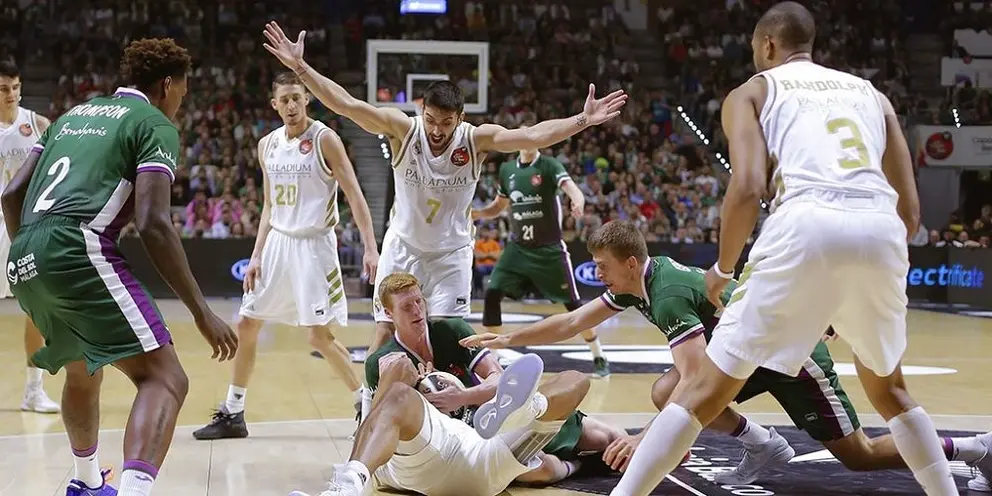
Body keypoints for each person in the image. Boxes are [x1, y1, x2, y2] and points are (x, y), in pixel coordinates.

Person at [605, 3, 955, 495]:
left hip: (804, 223)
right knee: (892, 393)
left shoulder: (753, 91)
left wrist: (723, 269)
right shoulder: (873, 96)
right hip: (881, 229)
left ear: (767, 45)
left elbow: (747, 186)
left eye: (753, 48)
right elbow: (911, 212)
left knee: (702, 391)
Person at [259, 21, 626, 418]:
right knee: (384, 330)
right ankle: (369, 409)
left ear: (460, 118)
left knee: (452, 333)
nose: (436, 130)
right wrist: (301, 69)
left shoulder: (476, 139)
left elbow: (532, 136)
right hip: (402, 247)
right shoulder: (404, 130)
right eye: (431, 119)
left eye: (446, 123)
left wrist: (582, 121)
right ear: (422, 111)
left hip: (451, 253)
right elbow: (348, 105)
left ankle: (468, 409)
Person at [460, 221, 992, 489]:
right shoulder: (637, 283)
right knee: (664, 389)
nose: (597, 274)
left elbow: (698, 385)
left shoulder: (667, 294)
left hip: (791, 356)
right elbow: (576, 322)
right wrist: (510, 338)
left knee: (858, 455)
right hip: (749, 354)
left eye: (601, 266)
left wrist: (646, 441)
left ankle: (973, 449)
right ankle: (763, 446)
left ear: (627, 262)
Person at [0, 39, 238, 496]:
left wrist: (33, 258)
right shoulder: (153, 123)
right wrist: (202, 313)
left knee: (81, 370)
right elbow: (152, 223)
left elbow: (11, 195)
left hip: (25, 252)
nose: (181, 104)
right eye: (183, 95)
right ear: (167, 85)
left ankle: (86, 482)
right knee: (165, 378)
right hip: (79, 246)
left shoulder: (71, 115)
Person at [288, 272, 614, 496]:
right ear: (387, 312)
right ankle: (568, 453)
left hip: (483, 413)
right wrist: (405, 392)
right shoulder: (384, 362)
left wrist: (462, 397)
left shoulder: (450, 330)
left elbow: (498, 379)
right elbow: (373, 422)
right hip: (449, 438)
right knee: (536, 469)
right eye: (406, 306)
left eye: (419, 301)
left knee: (605, 436)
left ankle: (530, 408)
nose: (417, 310)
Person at [192, 72, 378, 441]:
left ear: (307, 99)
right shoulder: (267, 145)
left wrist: (371, 247)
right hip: (277, 242)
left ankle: (365, 407)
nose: (292, 105)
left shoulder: (326, 139)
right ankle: (233, 412)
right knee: (247, 324)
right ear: (274, 104)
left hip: (314, 245)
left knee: (317, 337)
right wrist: (257, 254)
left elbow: (355, 195)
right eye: (285, 100)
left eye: (297, 98)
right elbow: (269, 206)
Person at [473, 144, 610, 378]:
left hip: (549, 251)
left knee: (574, 307)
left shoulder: (548, 165)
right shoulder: (507, 169)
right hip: (517, 248)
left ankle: (598, 356)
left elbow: (571, 188)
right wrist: (475, 213)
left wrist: (578, 201)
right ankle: (494, 359)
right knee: (493, 292)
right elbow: (498, 206)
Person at [0, 60, 60, 414]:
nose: (11, 94)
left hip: (28, 226)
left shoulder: (37, 124)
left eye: (15, 87)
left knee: (36, 308)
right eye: (4, 89)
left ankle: (33, 390)